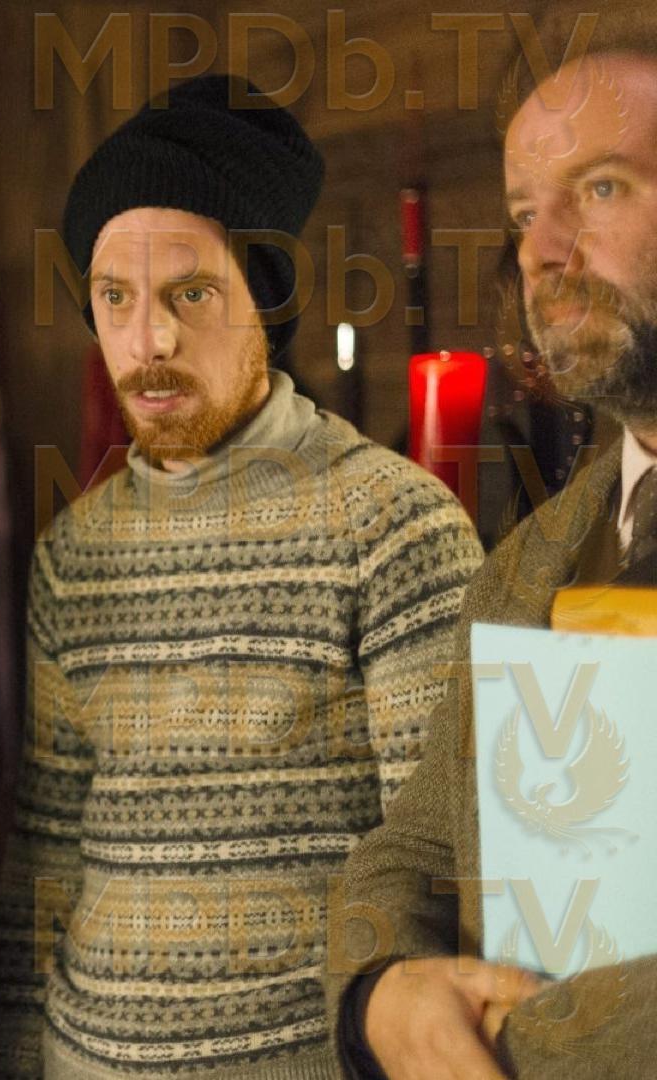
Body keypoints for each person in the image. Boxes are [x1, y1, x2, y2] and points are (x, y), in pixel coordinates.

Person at [0, 75, 483, 1079]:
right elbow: (45, 859)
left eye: (191, 294)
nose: (149, 340)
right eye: (115, 298)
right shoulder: (73, 556)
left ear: (268, 301)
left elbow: (438, 872)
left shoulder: (393, 526)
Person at [331, 16, 657, 1080]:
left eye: (600, 187)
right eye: (524, 212)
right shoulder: (524, 564)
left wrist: (493, 1041)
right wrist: (384, 993)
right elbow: (414, 848)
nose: (544, 250)